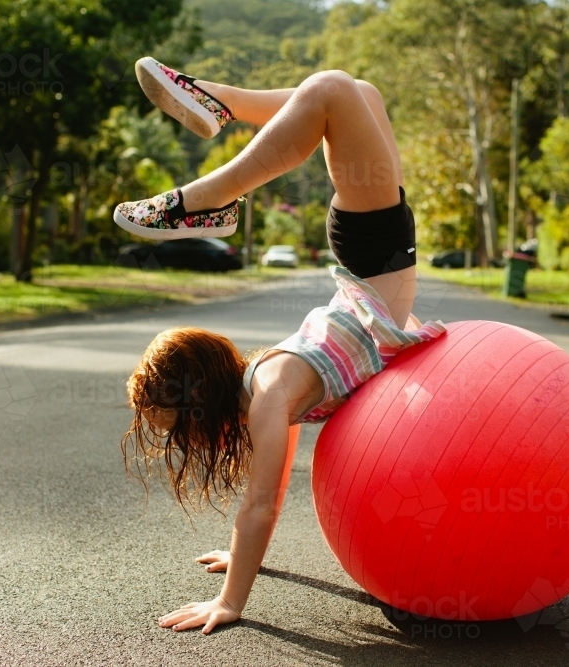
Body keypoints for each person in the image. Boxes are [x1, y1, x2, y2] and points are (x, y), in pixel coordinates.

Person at [116, 59, 446, 635]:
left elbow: (261, 506)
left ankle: (206, 194)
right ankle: (216, 105)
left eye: (179, 426)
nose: (186, 438)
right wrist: (240, 564)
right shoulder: (269, 392)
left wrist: (230, 600)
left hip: (373, 261)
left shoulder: (270, 390)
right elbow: (265, 495)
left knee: (338, 90)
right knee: (347, 91)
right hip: (374, 263)